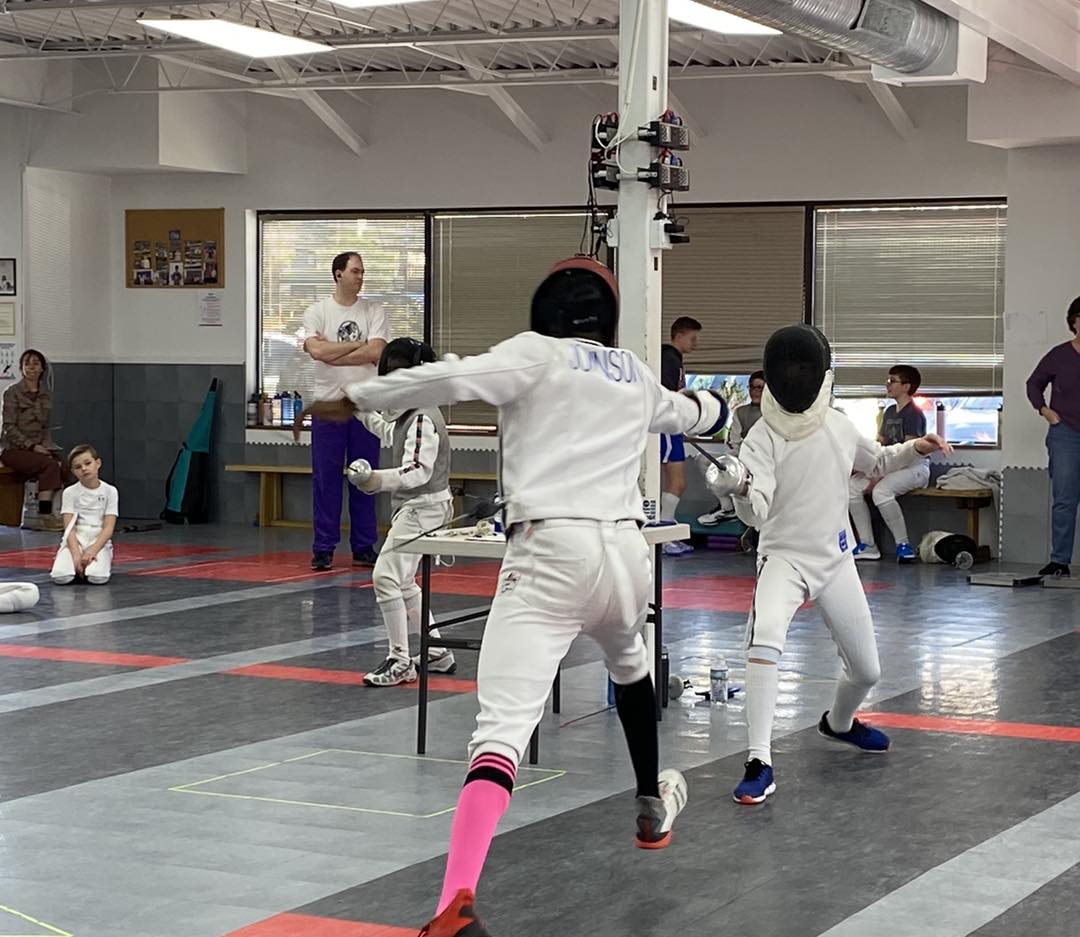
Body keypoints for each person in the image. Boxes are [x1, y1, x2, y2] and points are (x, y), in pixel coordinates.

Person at [309, 257, 726, 937]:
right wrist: (722, 407)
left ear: (547, 312)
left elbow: (446, 378)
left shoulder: (534, 353)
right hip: (626, 557)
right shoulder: (631, 371)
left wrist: (355, 398)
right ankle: (651, 802)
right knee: (630, 661)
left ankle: (455, 904)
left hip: (550, 553)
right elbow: (696, 411)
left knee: (500, 733)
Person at [705, 325, 950, 806]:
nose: (797, 375)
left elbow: (877, 461)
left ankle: (838, 723)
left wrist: (916, 447)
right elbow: (757, 512)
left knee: (867, 672)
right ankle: (758, 761)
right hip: (784, 559)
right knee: (764, 642)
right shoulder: (761, 438)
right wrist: (738, 489)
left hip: (836, 559)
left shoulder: (837, 425)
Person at [346, 337, 457, 686]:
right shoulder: (411, 413)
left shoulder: (423, 416)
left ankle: (400, 660)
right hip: (419, 506)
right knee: (403, 581)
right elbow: (390, 431)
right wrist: (359, 408)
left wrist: (374, 480)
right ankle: (437, 652)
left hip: (424, 508)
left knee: (386, 577)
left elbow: (418, 471)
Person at [301, 251, 389, 571]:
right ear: (338, 274)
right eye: (355, 271)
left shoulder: (374, 310)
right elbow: (316, 350)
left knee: (365, 476)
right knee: (326, 480)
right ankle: (323, 547)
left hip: (364, 406)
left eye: (362, 272)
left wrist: (332, 352)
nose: (360, 277)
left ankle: (363, 546)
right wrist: (356, 345)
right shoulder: (317, 311)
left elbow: (376, 351)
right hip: (329, 405)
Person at [848, 365, 930, 563]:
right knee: (851, 487)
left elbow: (909, 452)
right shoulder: (890, 411)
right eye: (887, 380)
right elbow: (881, 445)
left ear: (906, 386)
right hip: (889, 466)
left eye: (892, 381)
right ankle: (868, 544)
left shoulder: (914, 414)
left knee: (881, 491)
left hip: (914, 469)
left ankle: (903, 545)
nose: (887, 384)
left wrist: (878, 476)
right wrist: (866, 467)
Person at [1026, 295, 1080, 577]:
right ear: (1074, 323)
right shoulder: (1059, 355)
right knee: (1065, 500)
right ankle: (1060, 561)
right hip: (1066, 433)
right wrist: (1045, 411)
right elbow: (1033, 384)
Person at [0, 349, 68, 531]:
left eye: (36, 364)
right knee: (49, 466)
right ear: (21, 368)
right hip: (14, 449)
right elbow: (9, 427)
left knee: (65, 465)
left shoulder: (45, 394)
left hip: (39, 447)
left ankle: (60, 512)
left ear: (42, 368)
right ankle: (44, 516)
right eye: (27, 364)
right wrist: (32, 446)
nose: (31, 367)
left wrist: (47, 447)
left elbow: (45, 427)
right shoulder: (12, 393)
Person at [659, 316, 703, 555]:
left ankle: (667, 531)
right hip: (667, 428)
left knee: (677, 482)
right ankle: (664, 536)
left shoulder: (675, 360)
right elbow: (667, 395)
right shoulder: (669, 359)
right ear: (679, 336)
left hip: (673, 428)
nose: (695, 343)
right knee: (676, 482)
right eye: (692, 338)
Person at [698, 369, 764, 526]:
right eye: (752, 387)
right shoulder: (741, 411)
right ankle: (727, 507)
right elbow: (735, 440)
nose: (754, 391)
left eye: (759, 388)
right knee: (703, 461)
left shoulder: (773, 414)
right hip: (743, 455)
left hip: (764, 459)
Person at [50, 444, 118, 585]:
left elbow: (108, 527)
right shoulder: (69, 492)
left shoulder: (110, 491)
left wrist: (92, 551)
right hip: (75, 541)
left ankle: (102, 558)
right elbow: (69, 527)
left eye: (88, 463)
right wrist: (76, 554)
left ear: (97, 463)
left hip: (98, 541)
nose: (84, 469)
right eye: (78, 467)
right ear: (73, 471)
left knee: (97, 577)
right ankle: (70, 563)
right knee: (61, 577)